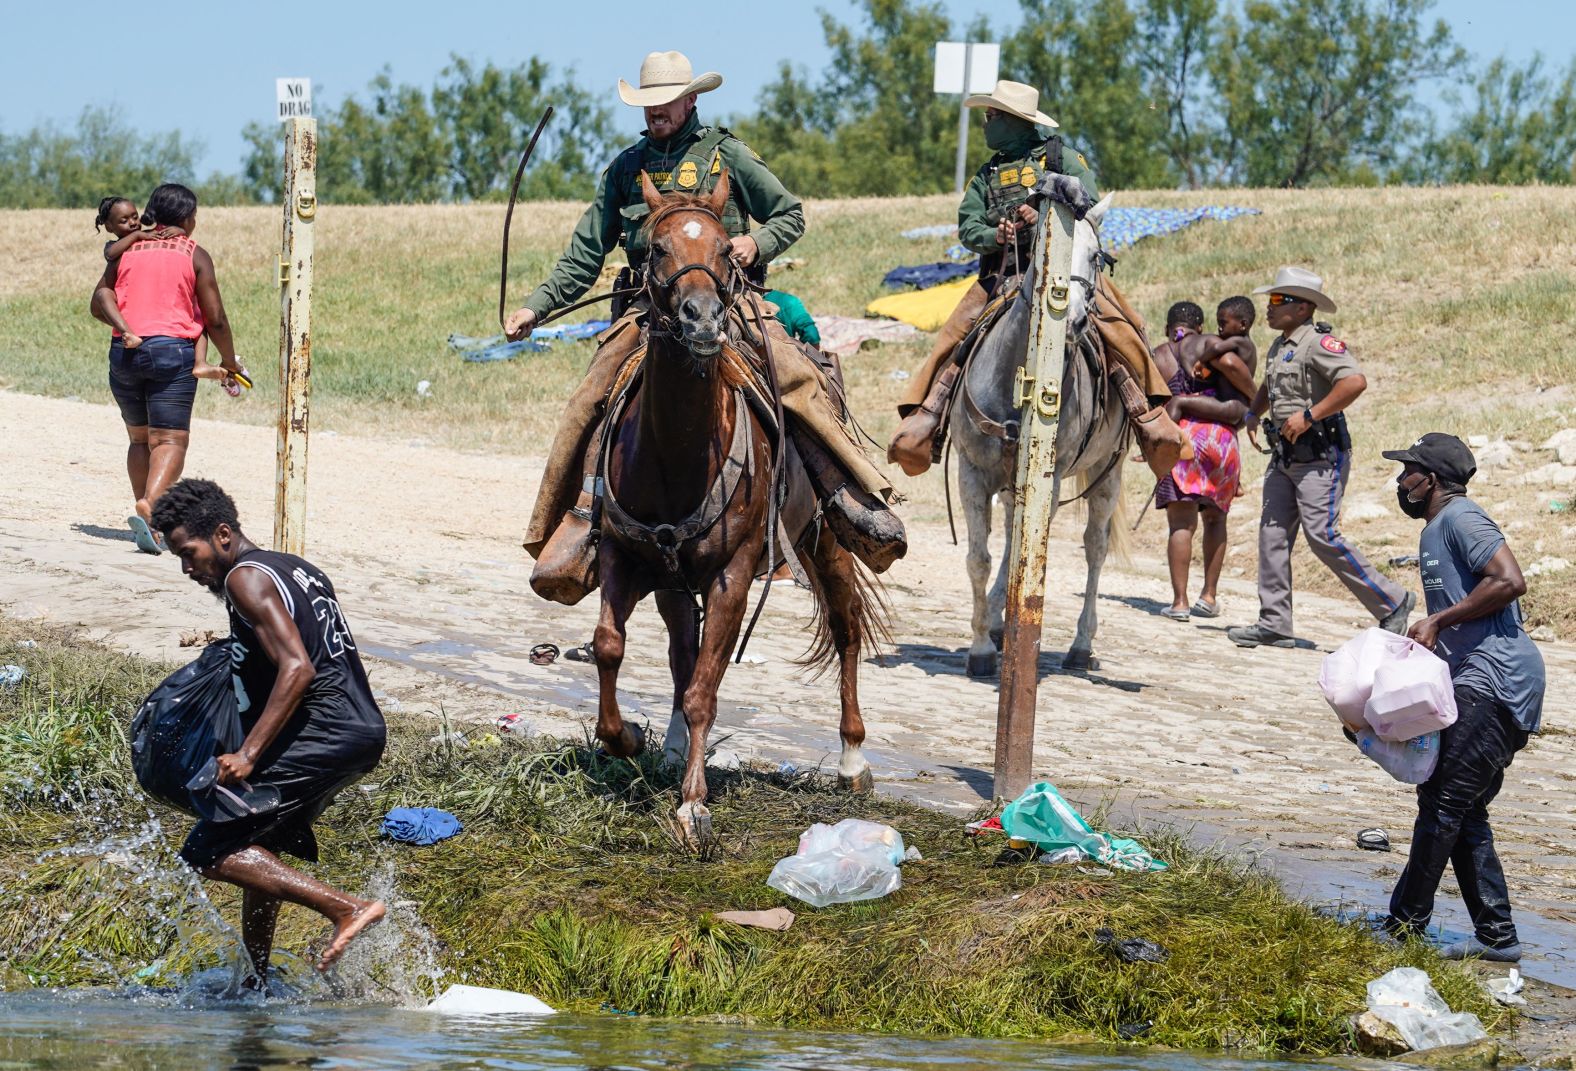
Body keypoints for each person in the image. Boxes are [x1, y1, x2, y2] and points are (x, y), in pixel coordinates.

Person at [502, 51, 903, 603]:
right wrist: (536, 307)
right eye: (647, 104)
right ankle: (573, 523)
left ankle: (847, 497)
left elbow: (790, 213)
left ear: (691, 100)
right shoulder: (625, 168)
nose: (655, 113)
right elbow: (583, 255)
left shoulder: (727, 154)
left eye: (665, 102)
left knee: (795, 376)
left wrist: (753, 242)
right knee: (591, 393)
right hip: (650, 313)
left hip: (729, 304)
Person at [884, 79, 1188, 481]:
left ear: (1015, 121)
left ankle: (1148, 417)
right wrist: (996, 235)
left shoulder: (1061, 156)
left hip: (1068, 268)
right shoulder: (985, 174)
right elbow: (967, 226)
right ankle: (928, 417)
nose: (986, 125)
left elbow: (1090, 203)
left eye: (991, 117)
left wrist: (1043, 205)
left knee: (1124, 329)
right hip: (1002, 275)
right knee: (952, 336)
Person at [151, 478, 388, 982]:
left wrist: (250, 754)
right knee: (263, 838)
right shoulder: (296, 569)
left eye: (188, 553)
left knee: (207, 847)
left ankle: (346, 907)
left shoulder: (244, 579)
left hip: (326, 731)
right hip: (360, 727)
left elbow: (298, 668)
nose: (187, 569)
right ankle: (255, 980)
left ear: (222, 534)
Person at [1379, 433, 1544, 962]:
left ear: (1431, 479)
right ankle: (1498, 940)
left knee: (1444, 804)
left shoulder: (1462, 518)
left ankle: (1404, 927)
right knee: (1464, 810)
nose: (1400, 481)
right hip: (1474, 680)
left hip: (1496, 681)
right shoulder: (1436, 529)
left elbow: (1510, 581)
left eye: (1408, 471)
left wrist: (1440, 619)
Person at [1226, 267, 1413, 648]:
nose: (1270, 308)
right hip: (1285, 456)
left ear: (1303, 307)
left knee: (1322, 535)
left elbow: (1354, 382)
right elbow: (1270, 382)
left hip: (1320, 456)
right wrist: (1252, 413)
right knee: (1272, 535)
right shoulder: (1281, 344)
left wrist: (1311, 415)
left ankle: (1392, 601)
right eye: (1271, 300)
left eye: (1279, 301)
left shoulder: (1320, 344)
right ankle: (1275, 622)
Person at [89, 184, 248, 555]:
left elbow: (98, 304)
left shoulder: (127, 250)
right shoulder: (194, 254)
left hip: (124, 353)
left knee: (140, 439)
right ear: (189, 219)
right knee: (171, 441)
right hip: (172, 353)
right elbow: (216, 319)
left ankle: (147, 521)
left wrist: (130, 328)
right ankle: (151, 506)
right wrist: (228, 360)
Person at [1149, 300, 1256, 620]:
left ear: (1169, 328)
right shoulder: (1208, 342)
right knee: (1215, 518)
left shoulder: (1158, 354)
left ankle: (1179, 602)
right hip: (1220, 438)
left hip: (1178, 437)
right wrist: (1256, 399)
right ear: (1202, 324)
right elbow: (1232, 366)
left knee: (1181, 523)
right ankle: (1208, 597)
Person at [94, 197, 240, 393]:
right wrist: (138, 236)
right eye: (123, 220)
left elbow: (159, 235)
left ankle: (200, 362)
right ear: (109, 227)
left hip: (128, 358)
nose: (132, 223)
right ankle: (127, 331)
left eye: (135, 217)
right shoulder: (117, 247)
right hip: (168, 347)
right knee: (103, 294)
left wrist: (178, 232)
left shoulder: (144, 238)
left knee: (196, 317)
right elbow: (110, 254)